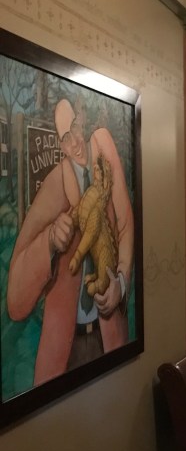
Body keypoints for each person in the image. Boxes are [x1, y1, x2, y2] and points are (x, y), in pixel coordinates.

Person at [7, 99, 134, 386]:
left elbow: (125, 225)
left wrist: (121, 284)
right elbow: (15, 299)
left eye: (76, 127)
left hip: (111, 341)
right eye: (65, 138)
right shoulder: (54, 187)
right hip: (64, 354)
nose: (75, 142)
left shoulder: (104, 152)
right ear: (60, 145)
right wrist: (49, 243)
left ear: (84, 119)